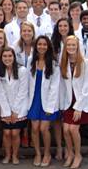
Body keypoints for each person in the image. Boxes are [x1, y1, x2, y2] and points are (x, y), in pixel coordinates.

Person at [59, 35, 88, 169]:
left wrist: (79, 107)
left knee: (73, 129)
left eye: (73, 45)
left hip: (82, 102)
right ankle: (70, 153)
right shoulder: (63, 62)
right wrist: (63, 105)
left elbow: (87, 86)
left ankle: (78, 155)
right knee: (65, 129)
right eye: (68, 45)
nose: (71, 47)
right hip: (68, 101)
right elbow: (63, 86)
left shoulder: (84, 62)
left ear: (78, 47)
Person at [26, 36, 61, 167]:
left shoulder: (53, 63)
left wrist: (50, 107)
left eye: (44, 44)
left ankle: (47, 153)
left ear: (48, 47)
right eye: (39, 44)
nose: (41, 47)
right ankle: (38, 154)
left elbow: (54, 86)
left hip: (47, 101)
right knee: (34, 128)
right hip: (34, 100)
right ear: (36, 46)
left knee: (44, 128)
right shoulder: (31, 61)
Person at [0, 47, 30, 165]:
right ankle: (7, 155)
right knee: (6, 133)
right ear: (1, 58)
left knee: (15, 133)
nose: (7, 58)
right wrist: (6, 111)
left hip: (19, 108)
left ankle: (15, 155)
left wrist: (15, 111)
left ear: (14, 57)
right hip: (5, 107)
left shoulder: (22, 70)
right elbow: (0, 92)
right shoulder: (0, 71)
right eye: (4, 56)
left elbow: (23, 91)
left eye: (10, 56)